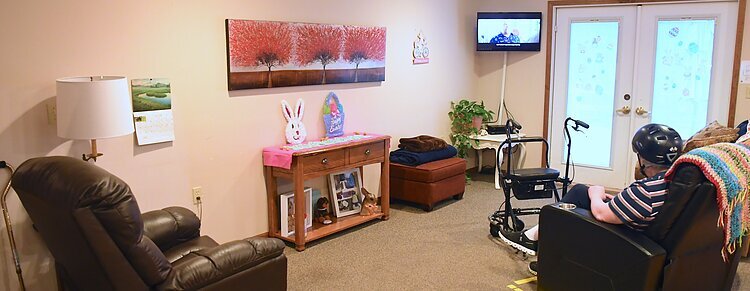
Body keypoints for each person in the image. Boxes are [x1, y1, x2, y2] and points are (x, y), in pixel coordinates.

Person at [498, 123, 684, 275]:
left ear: (643, 160)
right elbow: (639, 206)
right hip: (644, 230)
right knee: (579, 192)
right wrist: (619, 201)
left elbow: (602, 214)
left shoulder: (645, 191)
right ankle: (532, 238)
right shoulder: (674, 181)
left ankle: (535, 244)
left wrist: (597, 194)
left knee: (563, 212)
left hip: (628, 241)